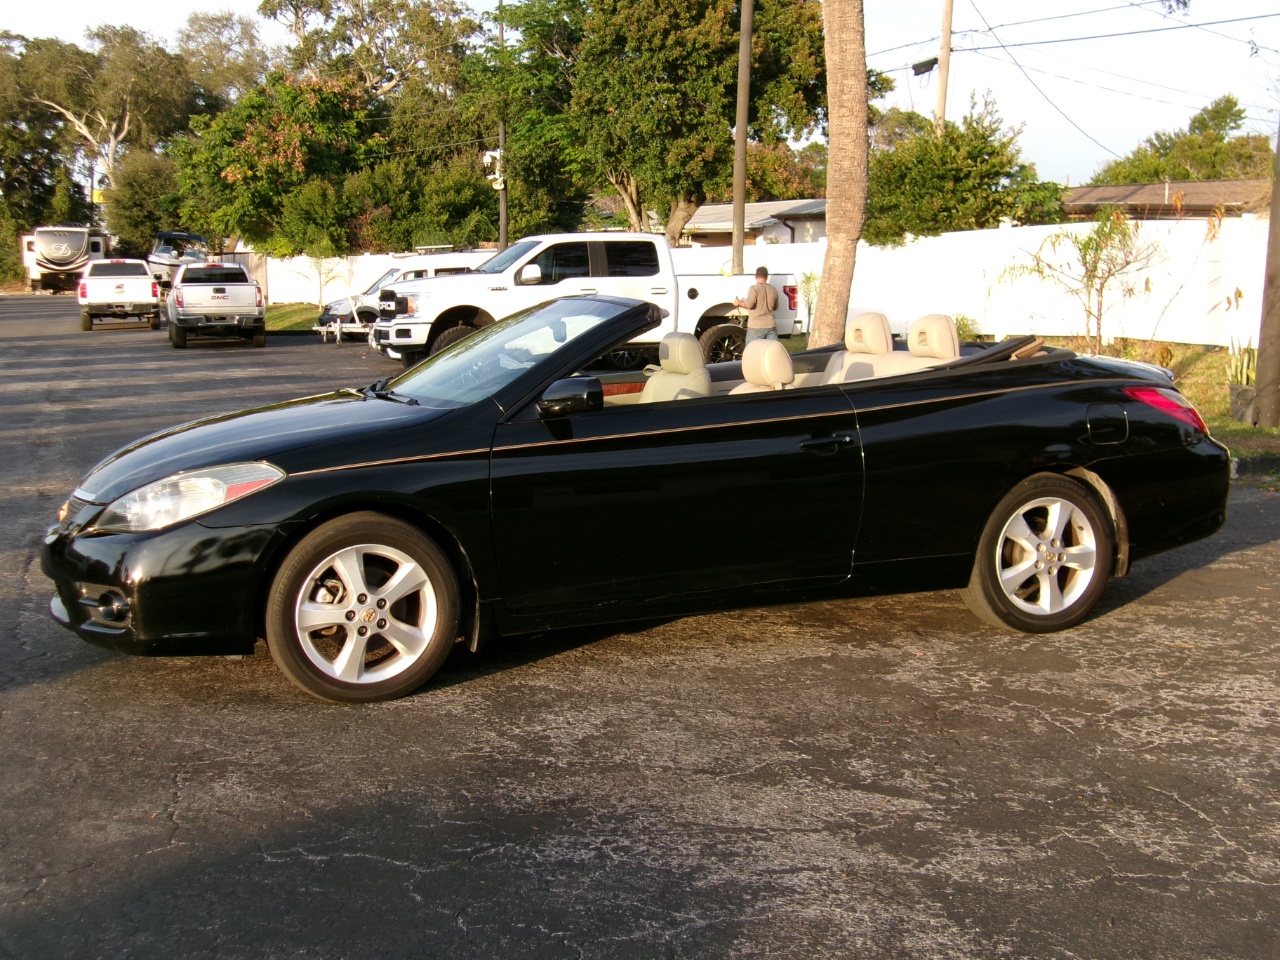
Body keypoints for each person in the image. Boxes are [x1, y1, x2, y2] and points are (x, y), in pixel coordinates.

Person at [734, 266, 779, 344]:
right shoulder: (773, 289)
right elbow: (776, 307)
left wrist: (738, 303)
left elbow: (749, 305)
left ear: (755, 276)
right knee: (772, 352)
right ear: (766, 277)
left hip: (756, 327)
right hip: (771, 326)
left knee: (751, 352)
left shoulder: (754, 289)